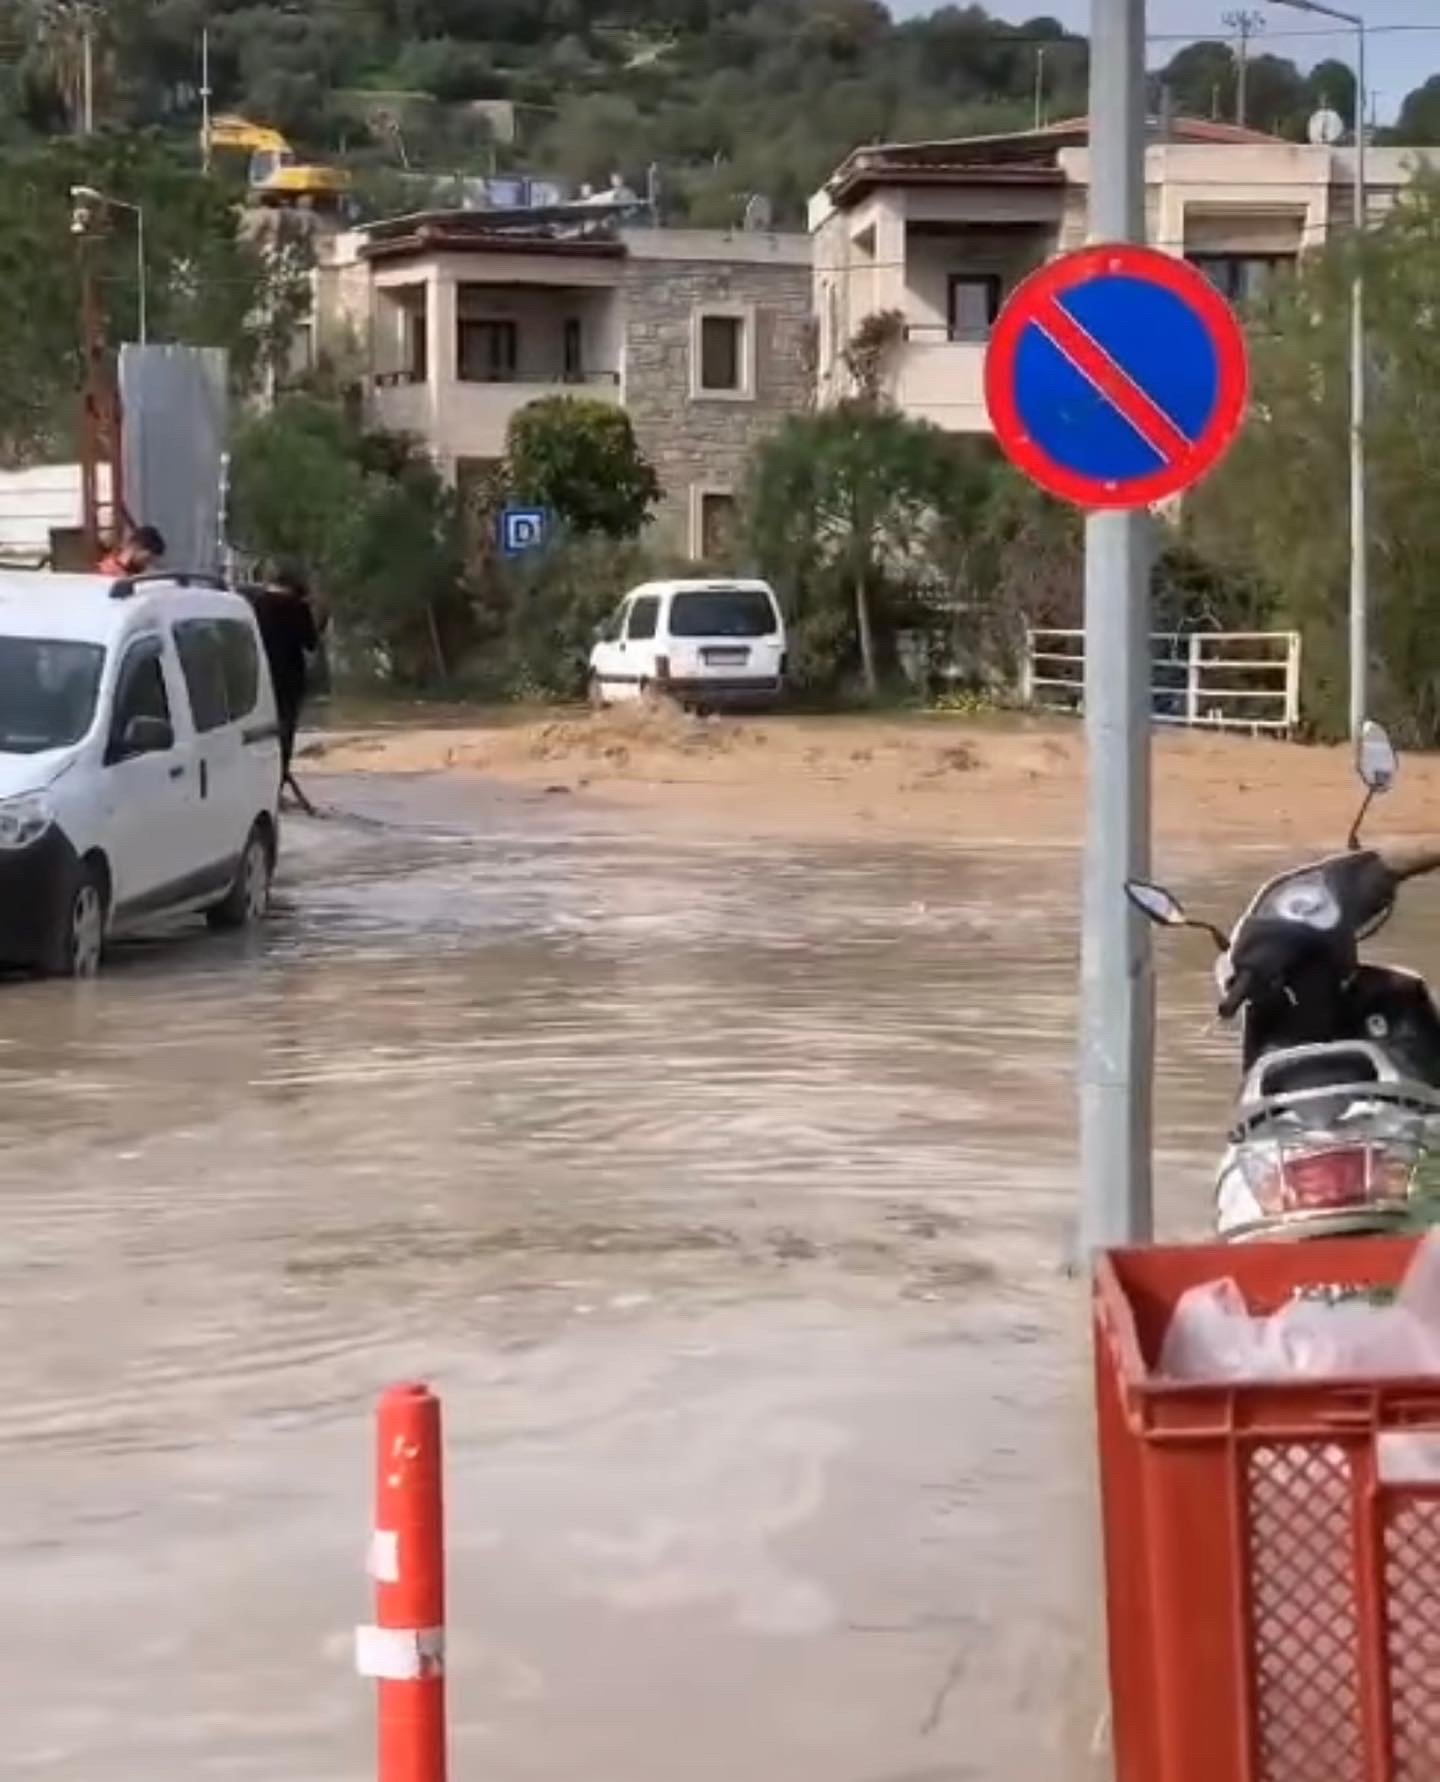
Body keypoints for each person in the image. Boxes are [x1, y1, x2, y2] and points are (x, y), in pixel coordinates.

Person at [250, 568, 324, 792]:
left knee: (259, 734)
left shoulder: (255, 605)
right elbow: (310, 643)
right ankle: (278, 782)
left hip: (259, 679)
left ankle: (260, 787)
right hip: (289, 681)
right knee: (284, 732)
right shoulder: (298, 608)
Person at [97, 524, 166, 578]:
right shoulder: (108, 572)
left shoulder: (137, 570)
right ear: (137, 547)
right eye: (147, 559)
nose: (147, 564)